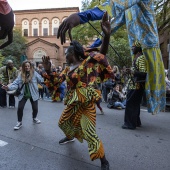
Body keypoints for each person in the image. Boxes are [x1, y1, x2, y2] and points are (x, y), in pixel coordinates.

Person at [57, 0, 166, 115]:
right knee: (134, 92)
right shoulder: (128, 9)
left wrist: (81, 17)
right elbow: (112, 26)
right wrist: (92, 46)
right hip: (136, 52)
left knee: (141, 88)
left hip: (149, 49)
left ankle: (131, 121)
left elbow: (114, 5)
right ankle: (133, 120)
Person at [42, 12, 113, 170]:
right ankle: (70, 136)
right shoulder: (67, 69)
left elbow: (102, 54)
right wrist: (48, 71)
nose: (65, 55)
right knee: (62, 122)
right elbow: (56, 81)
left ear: (71, 53)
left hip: (86, 103)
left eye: (66, 53)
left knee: (89, 132)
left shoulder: (88, 62)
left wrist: (106, 36)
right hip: (73, 101)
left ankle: (103, 160)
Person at [2, 60, 43, 130]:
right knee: (20, 108)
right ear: (23, 67)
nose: (27, 67)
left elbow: (42, 80)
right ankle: (19, 122)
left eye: (28, 66)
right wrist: (8, 87)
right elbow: (15, 83)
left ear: (30, 67)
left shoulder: (34, 73)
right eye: (25, 66)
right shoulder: (21, 75)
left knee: (35, 108)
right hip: (23, 94)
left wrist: (47, 79)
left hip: (33, 93)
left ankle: (34, 118)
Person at [122, 41, 147, 129]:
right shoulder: (137, 57)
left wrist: (132, 71)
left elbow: (144, 73)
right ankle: (136, 122)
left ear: (138, 48)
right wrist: (128, 71)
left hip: (136, 85)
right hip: (134, 85)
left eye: (134, 47)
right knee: (134, 104)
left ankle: (129, 124)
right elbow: (136, 72)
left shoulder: (141, 58)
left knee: (130, 104)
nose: (132, 48)